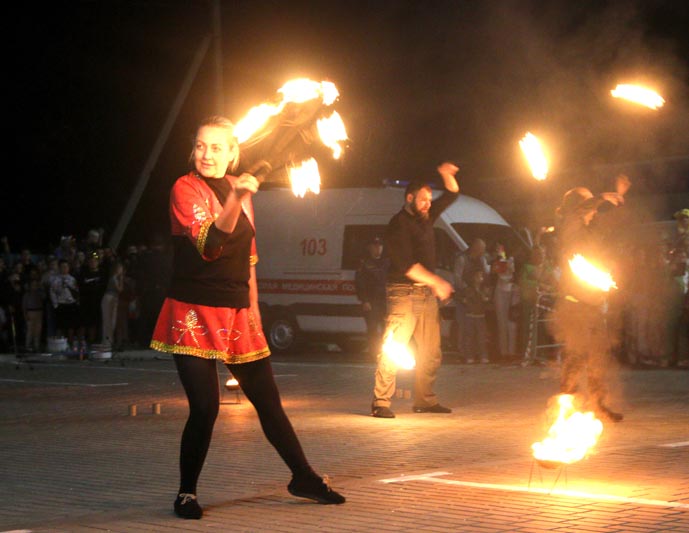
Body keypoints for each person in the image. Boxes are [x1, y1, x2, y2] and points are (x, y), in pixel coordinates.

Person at [150, 116, 344, 519]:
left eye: (217, 147)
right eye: (201, 146)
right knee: (206, 407)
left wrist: (254, 312)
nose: (207, 154)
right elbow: (210, 244)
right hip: (194, 309)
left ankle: (302, 477)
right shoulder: (184, 188)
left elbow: (249, 258)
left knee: (269, 403)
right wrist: (237, 196)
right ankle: (186, 493)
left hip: (239, 311)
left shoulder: (243, 188)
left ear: (233, 150)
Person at [371, 162, 459, 419]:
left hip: (425, 295)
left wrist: (446, 175)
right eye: (423, 199)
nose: (428, 204)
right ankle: (381, 402)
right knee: (393, 347)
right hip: (403, 294)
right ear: (409, 198)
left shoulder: (427, 216)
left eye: (430, 199)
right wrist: (438, 282)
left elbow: (452, 195)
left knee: (431, 351)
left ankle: (425, 399)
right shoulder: (398, 224)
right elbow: (408, 267)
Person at [549, 175, 631, 423]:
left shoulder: (589, 228)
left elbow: (610, 227)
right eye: (588, 202)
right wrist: (602, 197)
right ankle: (565, 403)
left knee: (597, 355)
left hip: (593, 303)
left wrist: (617, 198)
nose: (594, 208)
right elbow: (580, 212)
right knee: (577, 355)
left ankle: (598, 405)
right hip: (575, 305)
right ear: (578, 206)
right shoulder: (569, 227)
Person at [453, 238, 489, 362]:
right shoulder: (462, 259)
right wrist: (467, 290)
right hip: (464, 297)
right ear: (475, 248)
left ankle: (476, 353)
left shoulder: (482, 260)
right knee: (464, 327)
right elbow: (457, 277)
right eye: (482, 249)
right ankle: (464, 353)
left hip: (477, 299)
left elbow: (485, 274)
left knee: (477, 330)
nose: (483, 252)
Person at [355, 236, 389, 355]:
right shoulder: (364, 264)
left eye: (380, 246)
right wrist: (365, 301)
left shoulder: (386, 263)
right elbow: (360, 283)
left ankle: (386, 353)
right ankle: (374, 353)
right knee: (373, 329)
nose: (378, 248)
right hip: (372, 302)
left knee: (387, 329)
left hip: (385, 302)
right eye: (375, 246)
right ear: (369, 248)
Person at [457, 269, 491, 364]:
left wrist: (486, 298)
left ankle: (483, 355)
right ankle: (469, 356)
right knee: (469, 337)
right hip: (470, 315)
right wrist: (466, 301)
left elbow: (487, 300)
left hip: (481, 316)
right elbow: (461, 297)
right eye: (479, 276)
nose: (481, 278)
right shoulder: (468, 290)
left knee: (482, 337)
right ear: (473, 278)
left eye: (482, 276)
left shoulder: (484, 289)